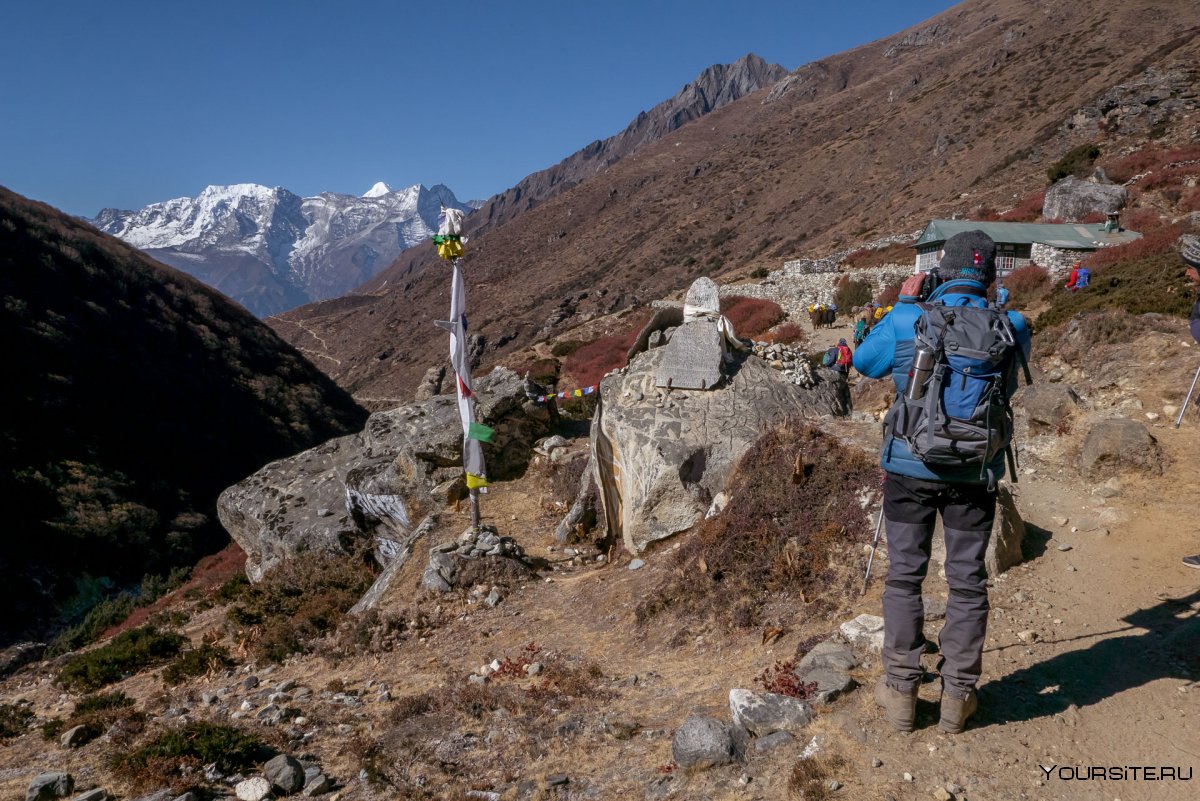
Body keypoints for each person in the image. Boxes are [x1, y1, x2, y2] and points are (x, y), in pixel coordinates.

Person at [853, 230, 1032, 734]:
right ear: (991, 276)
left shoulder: (911, 317)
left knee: (906, 576)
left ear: (942, 271)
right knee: (967, 580)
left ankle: (902, 692)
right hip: (975, 473)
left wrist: (903, 303)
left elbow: (865, 363)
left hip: (910, 469)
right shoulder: (1012, 323)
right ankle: (958, 696)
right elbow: (1008, 389)